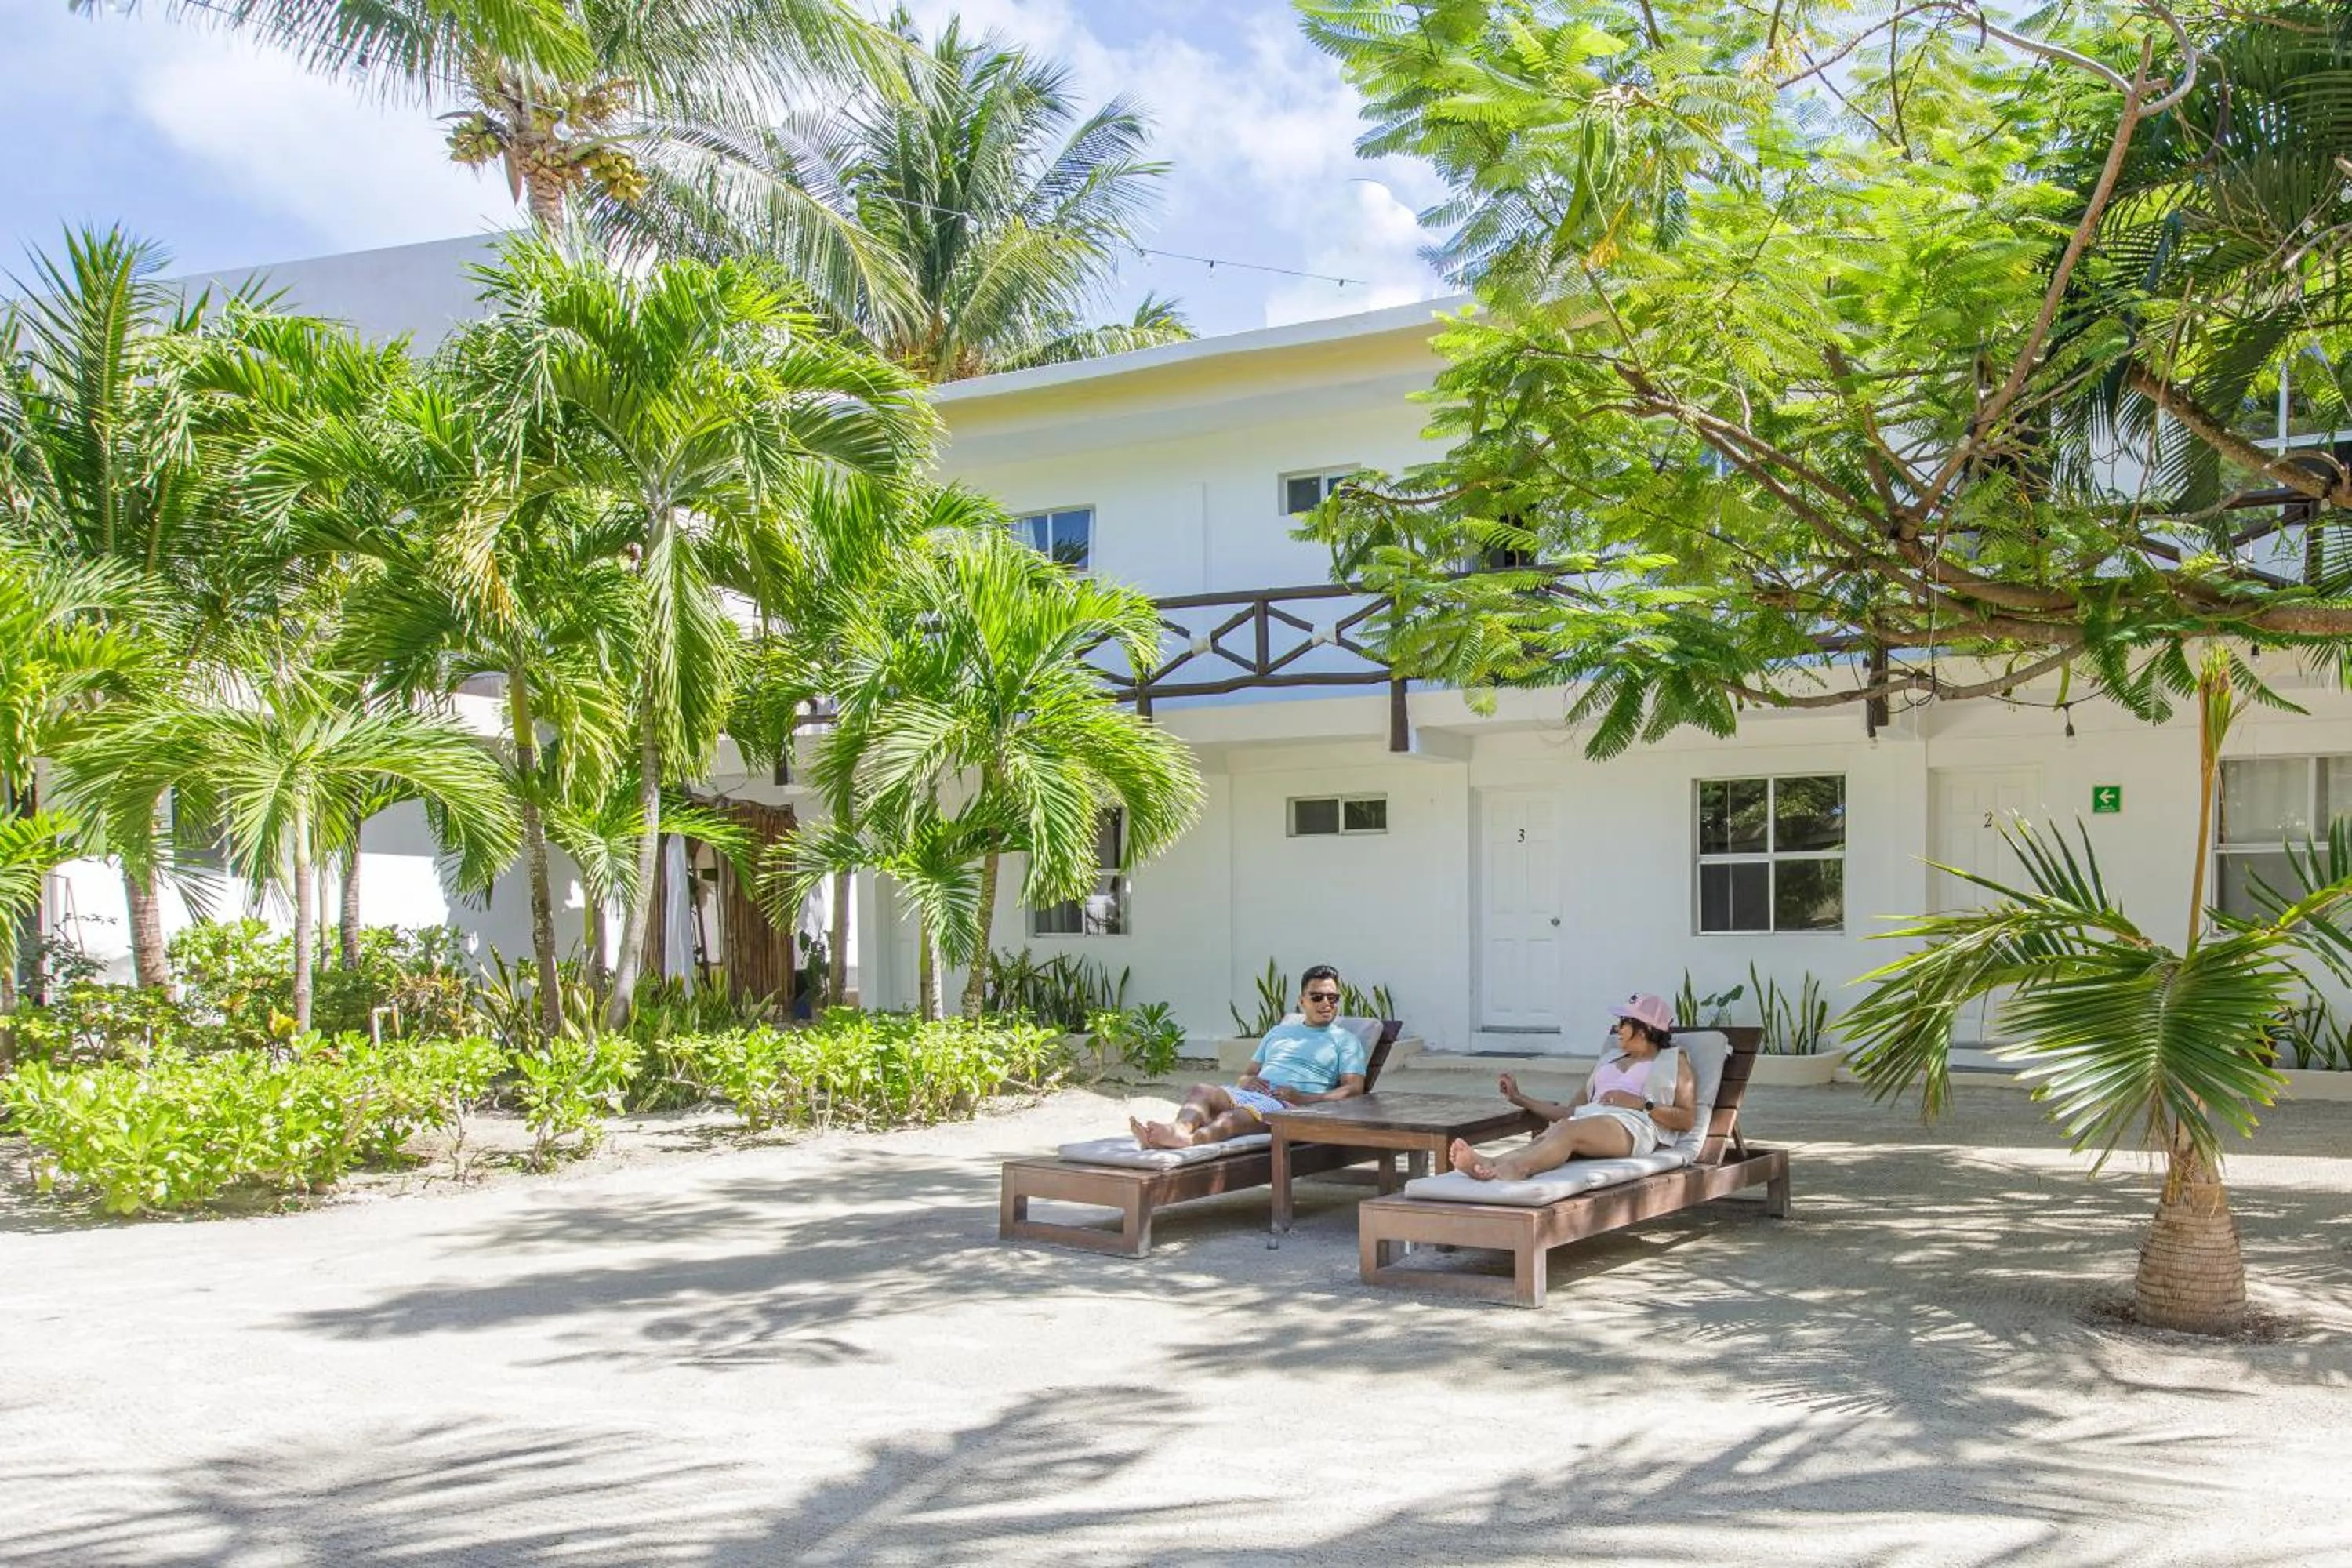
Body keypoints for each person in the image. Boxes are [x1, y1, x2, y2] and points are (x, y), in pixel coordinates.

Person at [1449, 993, 1698, 1180]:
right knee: (1557, 1131)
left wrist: (1644, 1104)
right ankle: (1489, 1164)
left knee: (1567, 1131)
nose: (1618, 1029)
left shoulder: (1673, 1061)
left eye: (1624, 1022)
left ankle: (1517, 1169)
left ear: (1645, 1029)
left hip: (1634, 1127)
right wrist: (1519, 1097)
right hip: (1590, 1120)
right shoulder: (1608, 1060)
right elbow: (1572, 1111)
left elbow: (1687, 1120)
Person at [1129, 965, 1367, 1149]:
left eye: (1332, 998)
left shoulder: (1345, 1040)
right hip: (1251, 1094)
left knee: (1231, 1119)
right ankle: (1178, 1130)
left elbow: (1353, 1089)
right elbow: (1248, 1074)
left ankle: (1189, 1142)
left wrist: (1304, 1099)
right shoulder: (1278, 1032)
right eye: (1317, 997)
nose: (1326, 1003)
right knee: (1202, 1091)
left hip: (1287, 1106)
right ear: (1302, 1001)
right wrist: (1247, 1082)